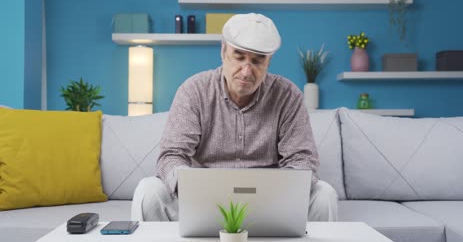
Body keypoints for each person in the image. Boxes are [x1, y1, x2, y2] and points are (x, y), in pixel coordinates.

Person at [131, 13, 338, 222]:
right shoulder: (193, 91)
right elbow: (172, 155)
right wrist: (190, 188)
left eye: (257, 61)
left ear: (269, 61)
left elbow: (302, 159)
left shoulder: (288, 95)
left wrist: (281, 193)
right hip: (202, 202)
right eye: (239, 57)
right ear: (223, 52)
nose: (247, 71)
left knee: (324, 195)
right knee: (148, 191)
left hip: (270, 204)